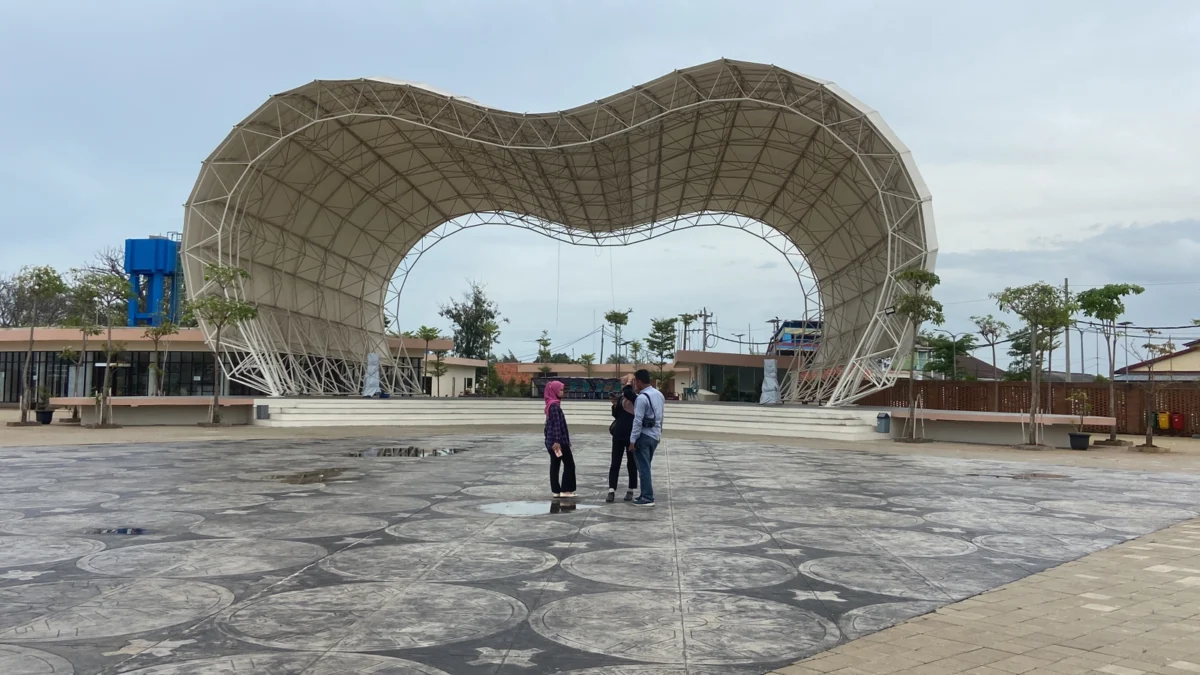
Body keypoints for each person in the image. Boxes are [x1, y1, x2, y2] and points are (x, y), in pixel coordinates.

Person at [628, 369, 664, 507]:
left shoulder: (642, 398)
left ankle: (647, 497)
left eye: (635, 381)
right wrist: (659, 433)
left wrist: (632, 440)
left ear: (640, 381)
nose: (634, 384)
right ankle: (644, 494)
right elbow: (661, 416)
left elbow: (637, 421)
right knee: (646, 466)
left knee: (643, 468)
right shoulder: (659, 395)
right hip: (654, 435)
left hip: (644, 436)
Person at [607, 375, 639, 503]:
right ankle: (611, 490)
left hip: (631, 435)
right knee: (615, 463)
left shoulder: (636, 398)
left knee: (631, 463)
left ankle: (631, 489)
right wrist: (615, 405)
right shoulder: (621, 398)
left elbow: (629, 393)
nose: (623, 386)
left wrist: (629, 382)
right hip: (618, 434)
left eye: (624, 383)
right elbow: (616, 415)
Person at [543, 380, 576, 498]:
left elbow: (549, 426)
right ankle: (566, 490)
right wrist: (558, 441)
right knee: (569, 464)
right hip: (558, 443)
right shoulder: (554, 406)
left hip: (553, 442)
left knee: (555, 465)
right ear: (555, 391)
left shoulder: (550, 404)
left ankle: (556, 490)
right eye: (561, 390)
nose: (563, 392)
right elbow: (557, 425)